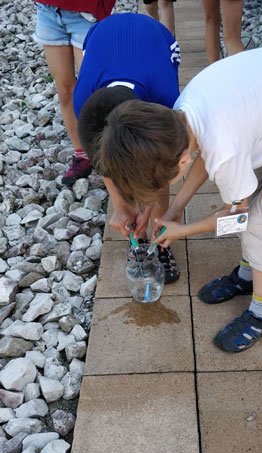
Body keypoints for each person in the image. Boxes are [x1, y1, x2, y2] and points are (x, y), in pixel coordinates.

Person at [91, 44, 262, 352]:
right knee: (254, 187)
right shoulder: (180, 115)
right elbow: (203, 153)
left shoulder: (224, 148)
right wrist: (175, 210)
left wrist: (184, 230)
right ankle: (249, 274)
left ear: (180, 163)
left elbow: (238, 218)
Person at [75, 12, 181, 283]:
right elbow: (104, 161)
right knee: (125, 165)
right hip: (101, 35)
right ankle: (140, 238)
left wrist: (149, 207)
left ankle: (159, 240)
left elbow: (163, 160)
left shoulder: (166, 98)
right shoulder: (84, 105)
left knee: (154, 158)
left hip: (154, 38)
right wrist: (121, 204)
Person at [33, 0, 115, 186]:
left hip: (85, 14)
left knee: (94, 91)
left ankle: (109, 151)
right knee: (64, 89)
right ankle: (82, 153)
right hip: (48, 11)